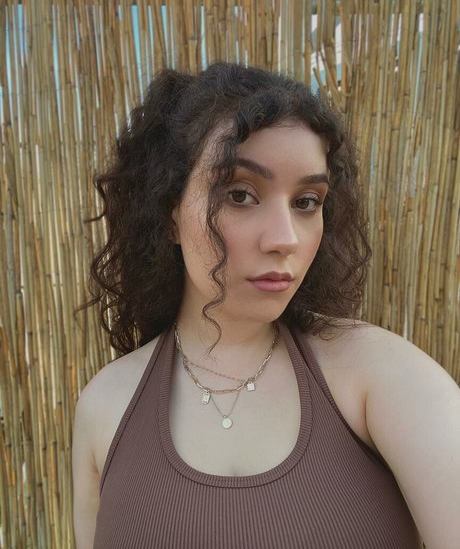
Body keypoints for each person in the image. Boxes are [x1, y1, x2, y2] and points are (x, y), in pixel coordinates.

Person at [72, 63, 460, 549]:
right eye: (240, 194)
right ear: (169, 213)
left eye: (307, 202)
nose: (286, 239)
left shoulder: (385, 378)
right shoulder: (105, 407)